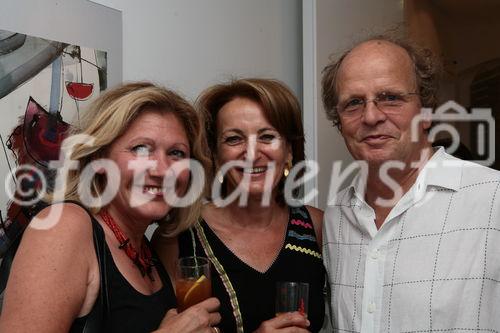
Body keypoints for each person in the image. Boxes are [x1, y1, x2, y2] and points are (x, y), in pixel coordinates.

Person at [0, 82, 221, 333]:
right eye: (140, 148)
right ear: (99, 159)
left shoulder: (146, 251)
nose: (162, 170)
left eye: (177, 153)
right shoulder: (65, 226)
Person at [321, 36, 500, 332]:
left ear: (427, 111)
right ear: (339, 121)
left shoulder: (492, 199)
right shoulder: (336, 216)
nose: (371, 116)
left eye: (390, 97)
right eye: (353, 103)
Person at [154, 78, 326, 332]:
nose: (253, 153)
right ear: (215, 154)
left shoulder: (318, 227)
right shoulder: (177, 237)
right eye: (234, 139)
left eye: (268, 136)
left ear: (289, 150)